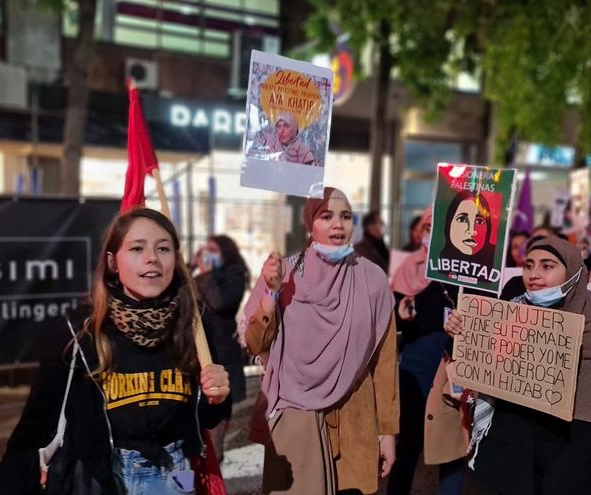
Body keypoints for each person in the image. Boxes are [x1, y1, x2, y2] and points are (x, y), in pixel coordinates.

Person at [0, 208, 230, 494]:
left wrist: (217, 399)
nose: (152, 257)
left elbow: (205, 418)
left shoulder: (194, 325)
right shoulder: (80, 332)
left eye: (163, 248)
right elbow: (37, 424)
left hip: (179, 477)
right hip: (103, 479)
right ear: (113, 262)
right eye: (137, 248)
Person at [446, 237, 591, 494]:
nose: (533, 275)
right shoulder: (509, 314)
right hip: (516, 447)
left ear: (573, 273)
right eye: (528, 265)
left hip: (571, 453)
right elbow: (485, 360)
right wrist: (464, 328)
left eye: (547, 266)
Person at [242, 187, 398, 495]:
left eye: (345, 216)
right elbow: (255, 343)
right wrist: (271, 295)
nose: (338, 225)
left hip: (355, 419)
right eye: (326, 216)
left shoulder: (372, 279)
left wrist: (388, 433)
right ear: (310, 223)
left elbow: (384, 362)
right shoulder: (282, 273)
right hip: (297, 422)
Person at [387, 208, 463, 495]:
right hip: (417, 364)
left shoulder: (470, 272)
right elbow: (391, 317)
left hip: (453, 363)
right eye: (427, 227)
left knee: (451, 443)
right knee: (408, 441)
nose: (430, 233)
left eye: (437, 227)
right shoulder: (409, 268)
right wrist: (401, 314)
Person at [192, 234, 249, 462]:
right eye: (206, 250)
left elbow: (219, 302)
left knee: (214, 434)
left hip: (222, 359)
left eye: (213, 250)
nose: (208, 254)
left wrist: (206, 272)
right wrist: (193, 265)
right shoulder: (198, 273)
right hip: (196, 359)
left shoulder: (233, 274)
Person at [439, 191, 496, 271]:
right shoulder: (436, 265)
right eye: (462, 219)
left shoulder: (497, 262)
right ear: (449, 224)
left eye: (479, 222)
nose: (471, 231)